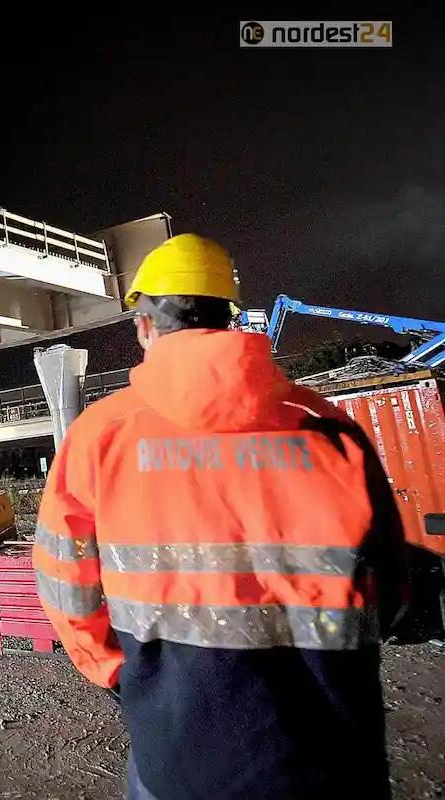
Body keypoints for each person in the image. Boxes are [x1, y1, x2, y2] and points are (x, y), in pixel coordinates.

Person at [33, 234, 407, 800]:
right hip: (332, 757)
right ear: (231, 321)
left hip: (179, 756)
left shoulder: (99, 436)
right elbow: (395, 590)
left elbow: (64, 584)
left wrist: (116, 671)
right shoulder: (331, 431)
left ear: (144, 328)